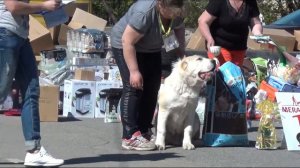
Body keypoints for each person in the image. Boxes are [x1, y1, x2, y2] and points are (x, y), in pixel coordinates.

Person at [111, 0, 186, 151]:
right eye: (173, 10)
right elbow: (127, 41)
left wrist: (183, 58)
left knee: (152, 87)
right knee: (134, 87)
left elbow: (175, 32)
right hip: (125, 45)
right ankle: (130, 136)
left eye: (178, 9)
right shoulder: (144, 12)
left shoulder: (177, 10)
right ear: (161, 4)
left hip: (151, 48)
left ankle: (144, 130)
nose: (176, 13)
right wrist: (134, 71)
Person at [0, 0, 64, 166]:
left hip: (20, 36)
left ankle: (34, 150)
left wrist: (53, 9)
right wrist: (44, 6)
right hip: (5, 35)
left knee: (31, 90)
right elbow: (13, 6)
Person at [198, 0, 263, 67]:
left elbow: (256, 23)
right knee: (224, 75)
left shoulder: (251, 2)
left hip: (240, 49)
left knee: (236, 76)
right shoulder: (218, 2)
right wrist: (209, 39)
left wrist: (258, 34)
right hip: (219, 49)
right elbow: (202, 21)